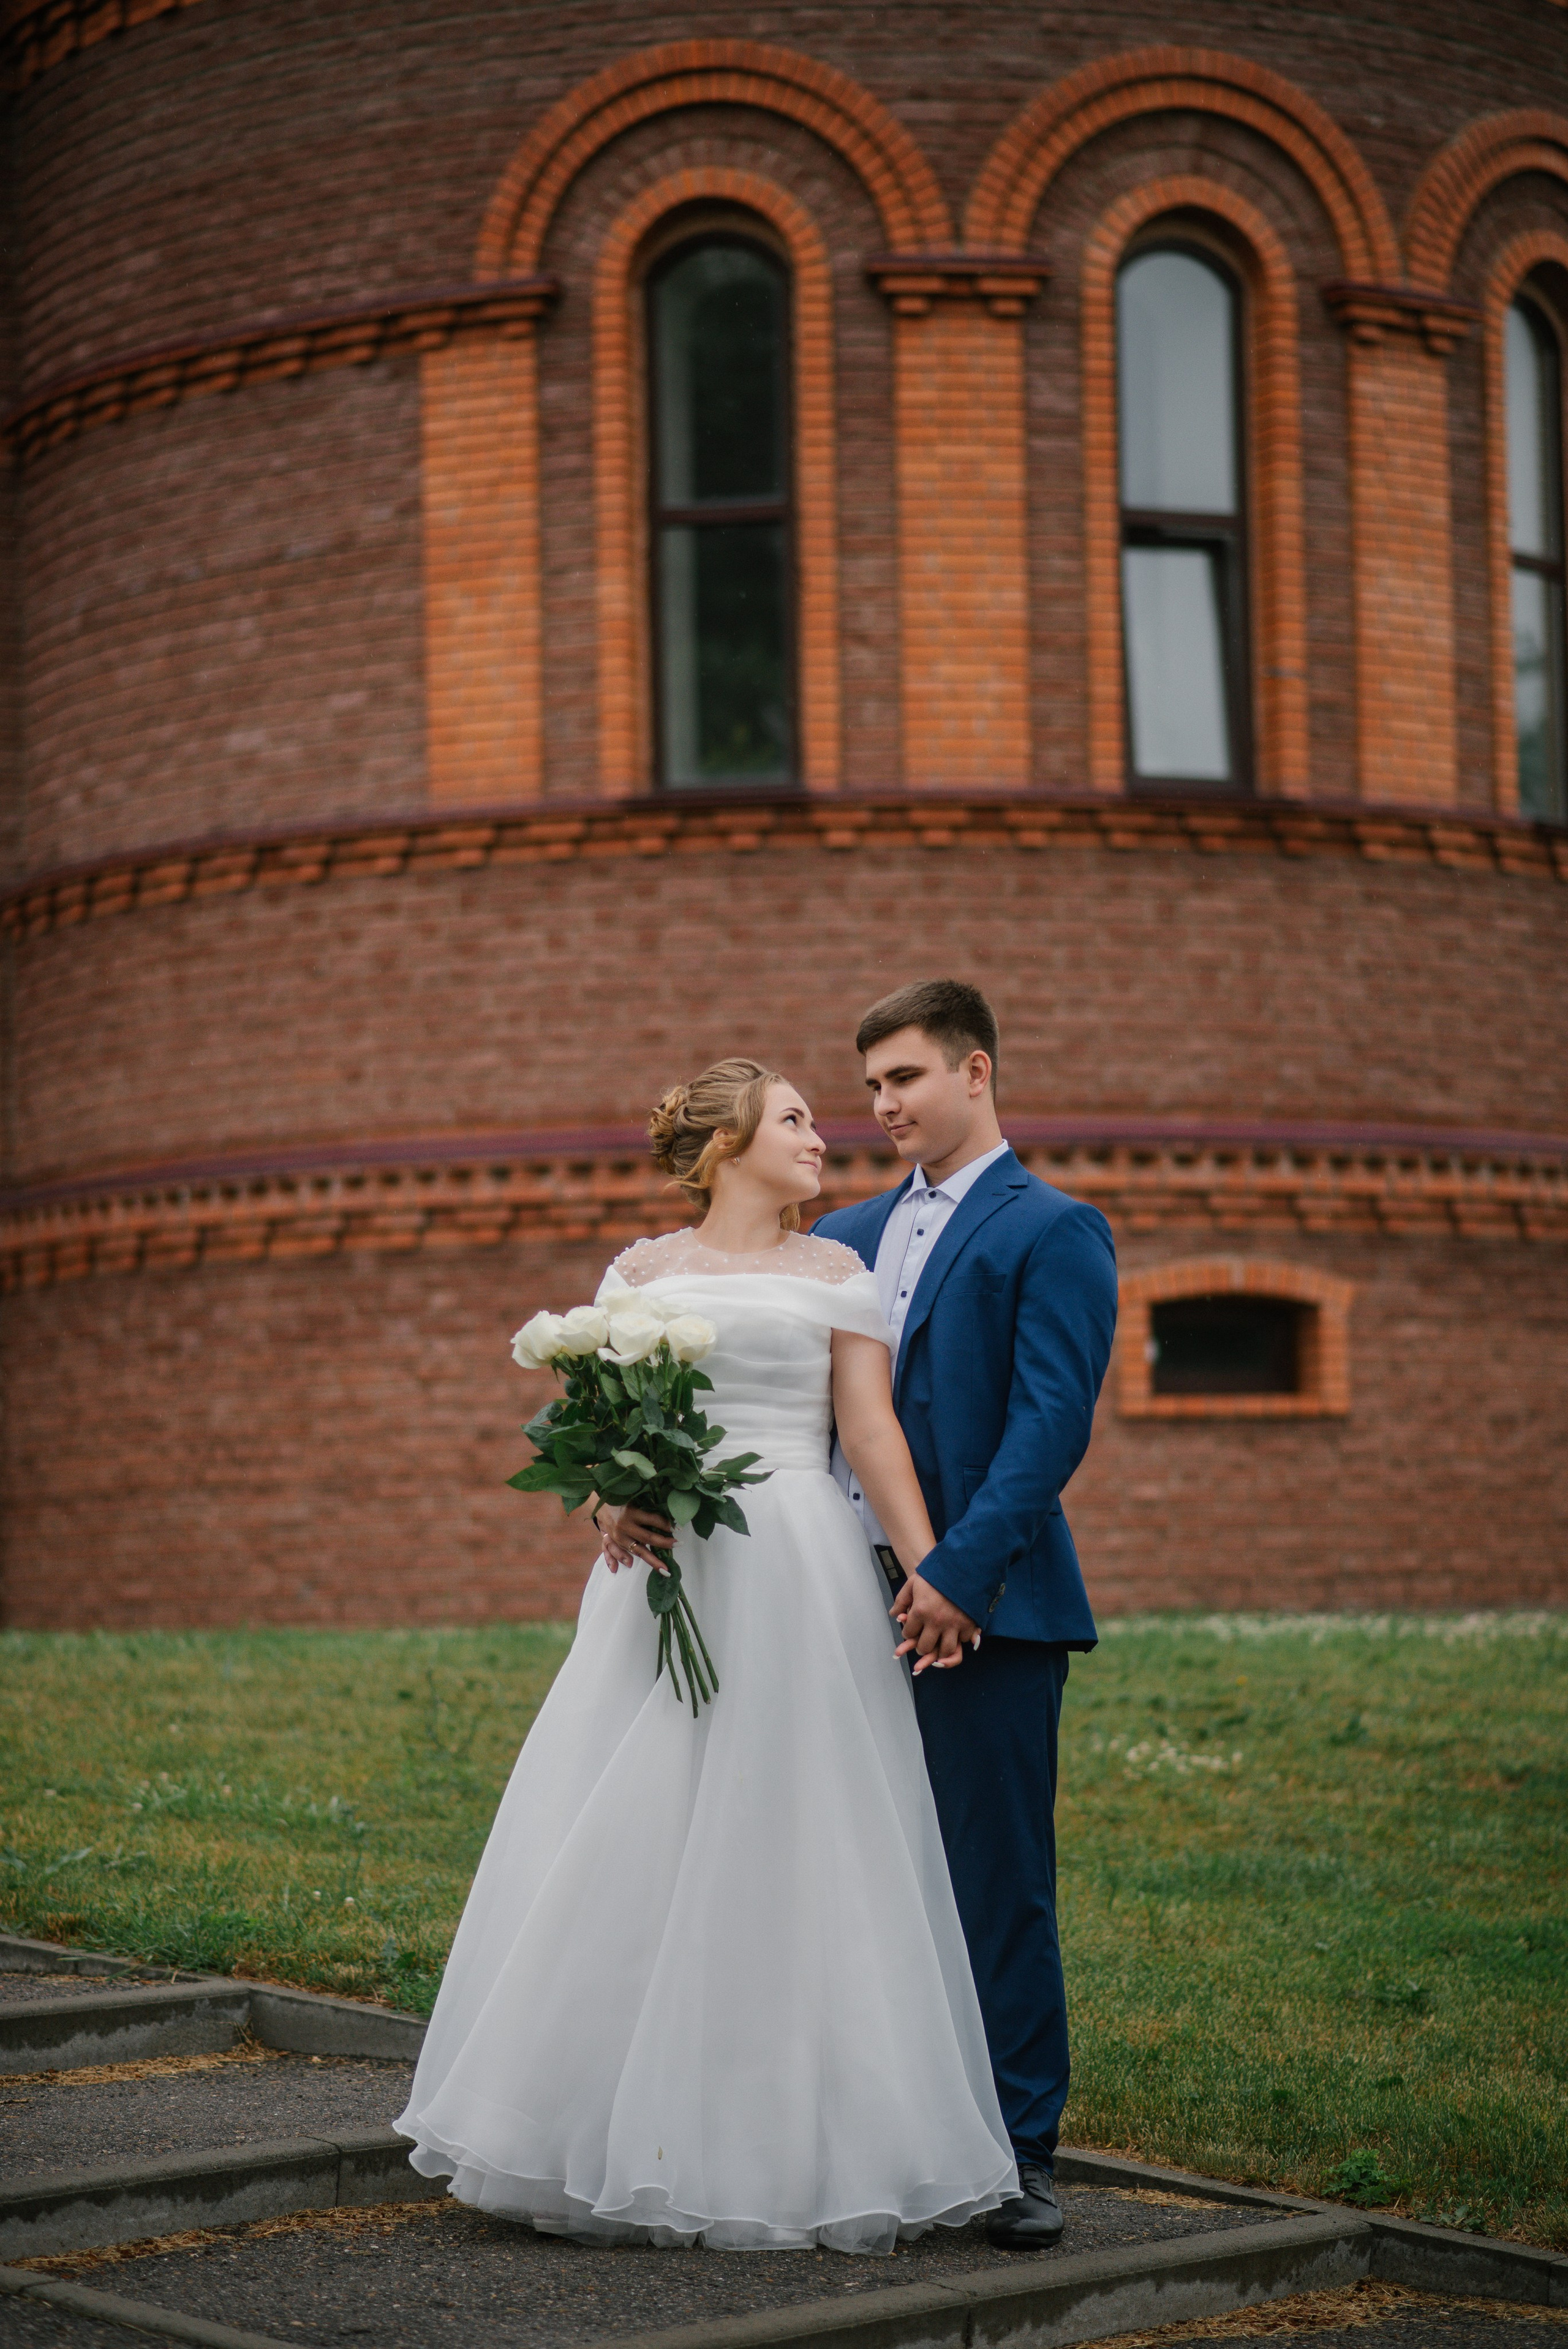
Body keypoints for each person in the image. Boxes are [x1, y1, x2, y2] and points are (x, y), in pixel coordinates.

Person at [397, 1059, 1016, 2254]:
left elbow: (868, 1428)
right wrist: (601, 1503)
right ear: (726, 1140)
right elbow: (599, 1425)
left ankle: (790, 2137)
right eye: (793, 1118)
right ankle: (597, 2123)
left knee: (793, 1825)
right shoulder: (638, 1273)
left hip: (794, 1561)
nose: (820, 1136)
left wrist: (929, 1565)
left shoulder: (836, 1271)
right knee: (635, 1818)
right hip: (665, 1571)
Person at [809, 979, 1118, 2249]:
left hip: (986, 1606)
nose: (882, 1105)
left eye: (905, 1079)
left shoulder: (1052, 1228)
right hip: (830, 1596)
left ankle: (1018, 2149)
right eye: (870, 1085)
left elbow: (1049, 1423)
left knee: (994, 1882)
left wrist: (953, 1574)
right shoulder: (837, 1233)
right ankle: (868, 2125)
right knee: (846, 1871)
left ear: (974, 1071)